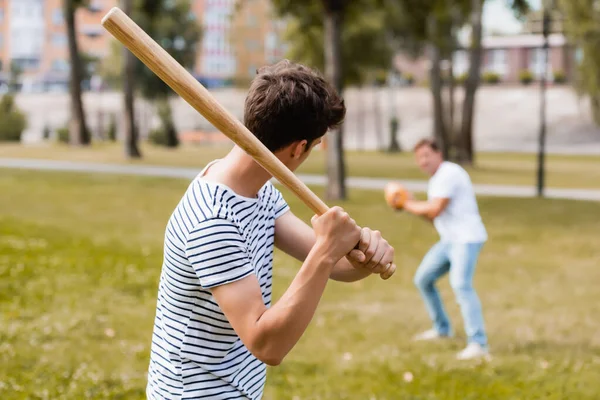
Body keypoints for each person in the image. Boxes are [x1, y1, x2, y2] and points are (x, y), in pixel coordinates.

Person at [146, 60, 396, 399]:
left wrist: (365, 259)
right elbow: (266, 343)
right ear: (298, 148)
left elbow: (333, 264)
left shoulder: (258, 192)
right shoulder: (212, 221)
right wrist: (326, 250)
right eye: (315, 144)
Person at [402, 138, 489, 360]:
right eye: (419, 158)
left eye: (426, 155)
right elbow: (434, 217)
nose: (423, 161)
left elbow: (434, 210)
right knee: (423, 279)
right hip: (449, 240)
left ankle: (478, 344)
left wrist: (405, 204)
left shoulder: (449, 173)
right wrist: (412, 205)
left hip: (466, 239)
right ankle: (442, 329)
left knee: (461, 285)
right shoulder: (436, 180)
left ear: (438, 154)